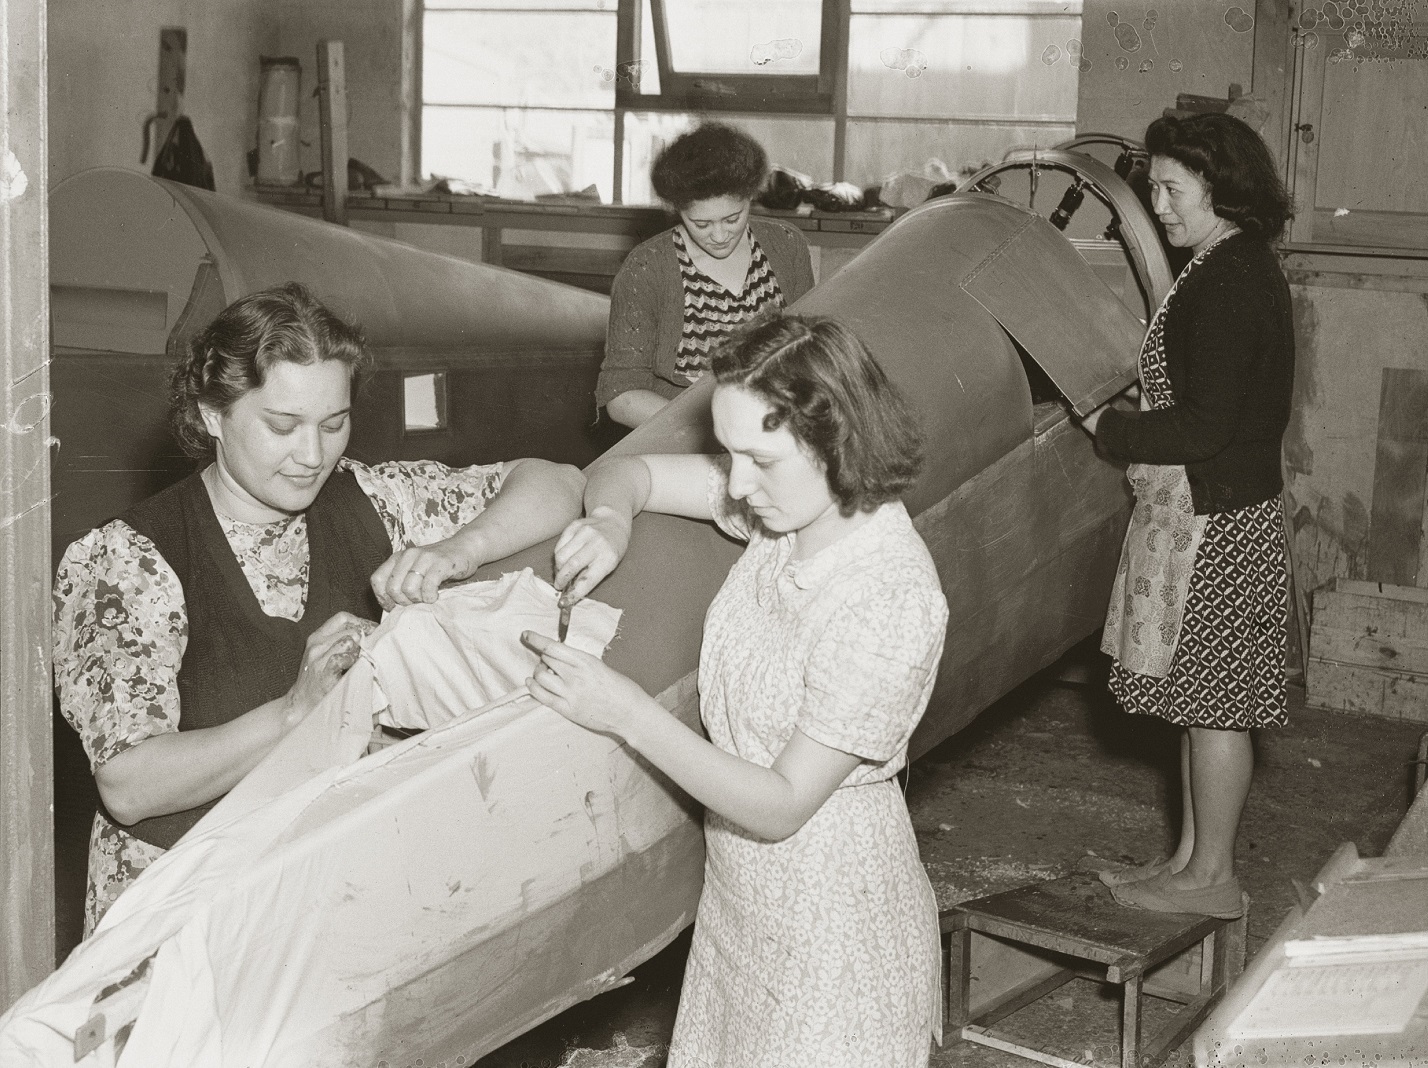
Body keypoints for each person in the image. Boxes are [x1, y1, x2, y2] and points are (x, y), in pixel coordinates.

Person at [53, 282, 585, 936]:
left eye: (333, 424)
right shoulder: (124, 560)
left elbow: (559, 482)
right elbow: (130, 785)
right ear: (213, 415)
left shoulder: (368, 496)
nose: (313, 456)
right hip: (180, 919)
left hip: (322, 898)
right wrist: (295, 713)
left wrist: (458, 550)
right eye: (282, 426)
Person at [527, 315, 946, 1066]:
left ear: (837, 438)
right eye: (728, 454)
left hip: (834, 929)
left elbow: (782, 804)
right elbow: (635, 473)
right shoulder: (787, 515)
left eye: (760, 458)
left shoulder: (889, 595)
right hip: (745, 907)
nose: (739, 484)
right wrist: (610, 522)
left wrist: (625, 712)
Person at [1078, 113, 1295, 920]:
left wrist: (1113, 429)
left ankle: (1212, 879)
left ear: (1221, 186)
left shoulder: (1232, 277)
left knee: (1216, 707)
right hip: (1205, 513)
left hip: (1220, 523)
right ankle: (1186, 860)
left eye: (1172, 188)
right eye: (1155, 187)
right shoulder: (1222, 265)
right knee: (1194, 699)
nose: (1158, 205)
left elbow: (1205, 428)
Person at [594, 123, 816, 428]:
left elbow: (808, 356)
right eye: (701, 224)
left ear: (750, 198)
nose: (720, 235)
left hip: (774, 423)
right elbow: (621, 395)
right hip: (679, 427)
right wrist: (711, 429)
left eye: (733, 218)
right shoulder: (646, 268)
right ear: (678, 210)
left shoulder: (787, 246)